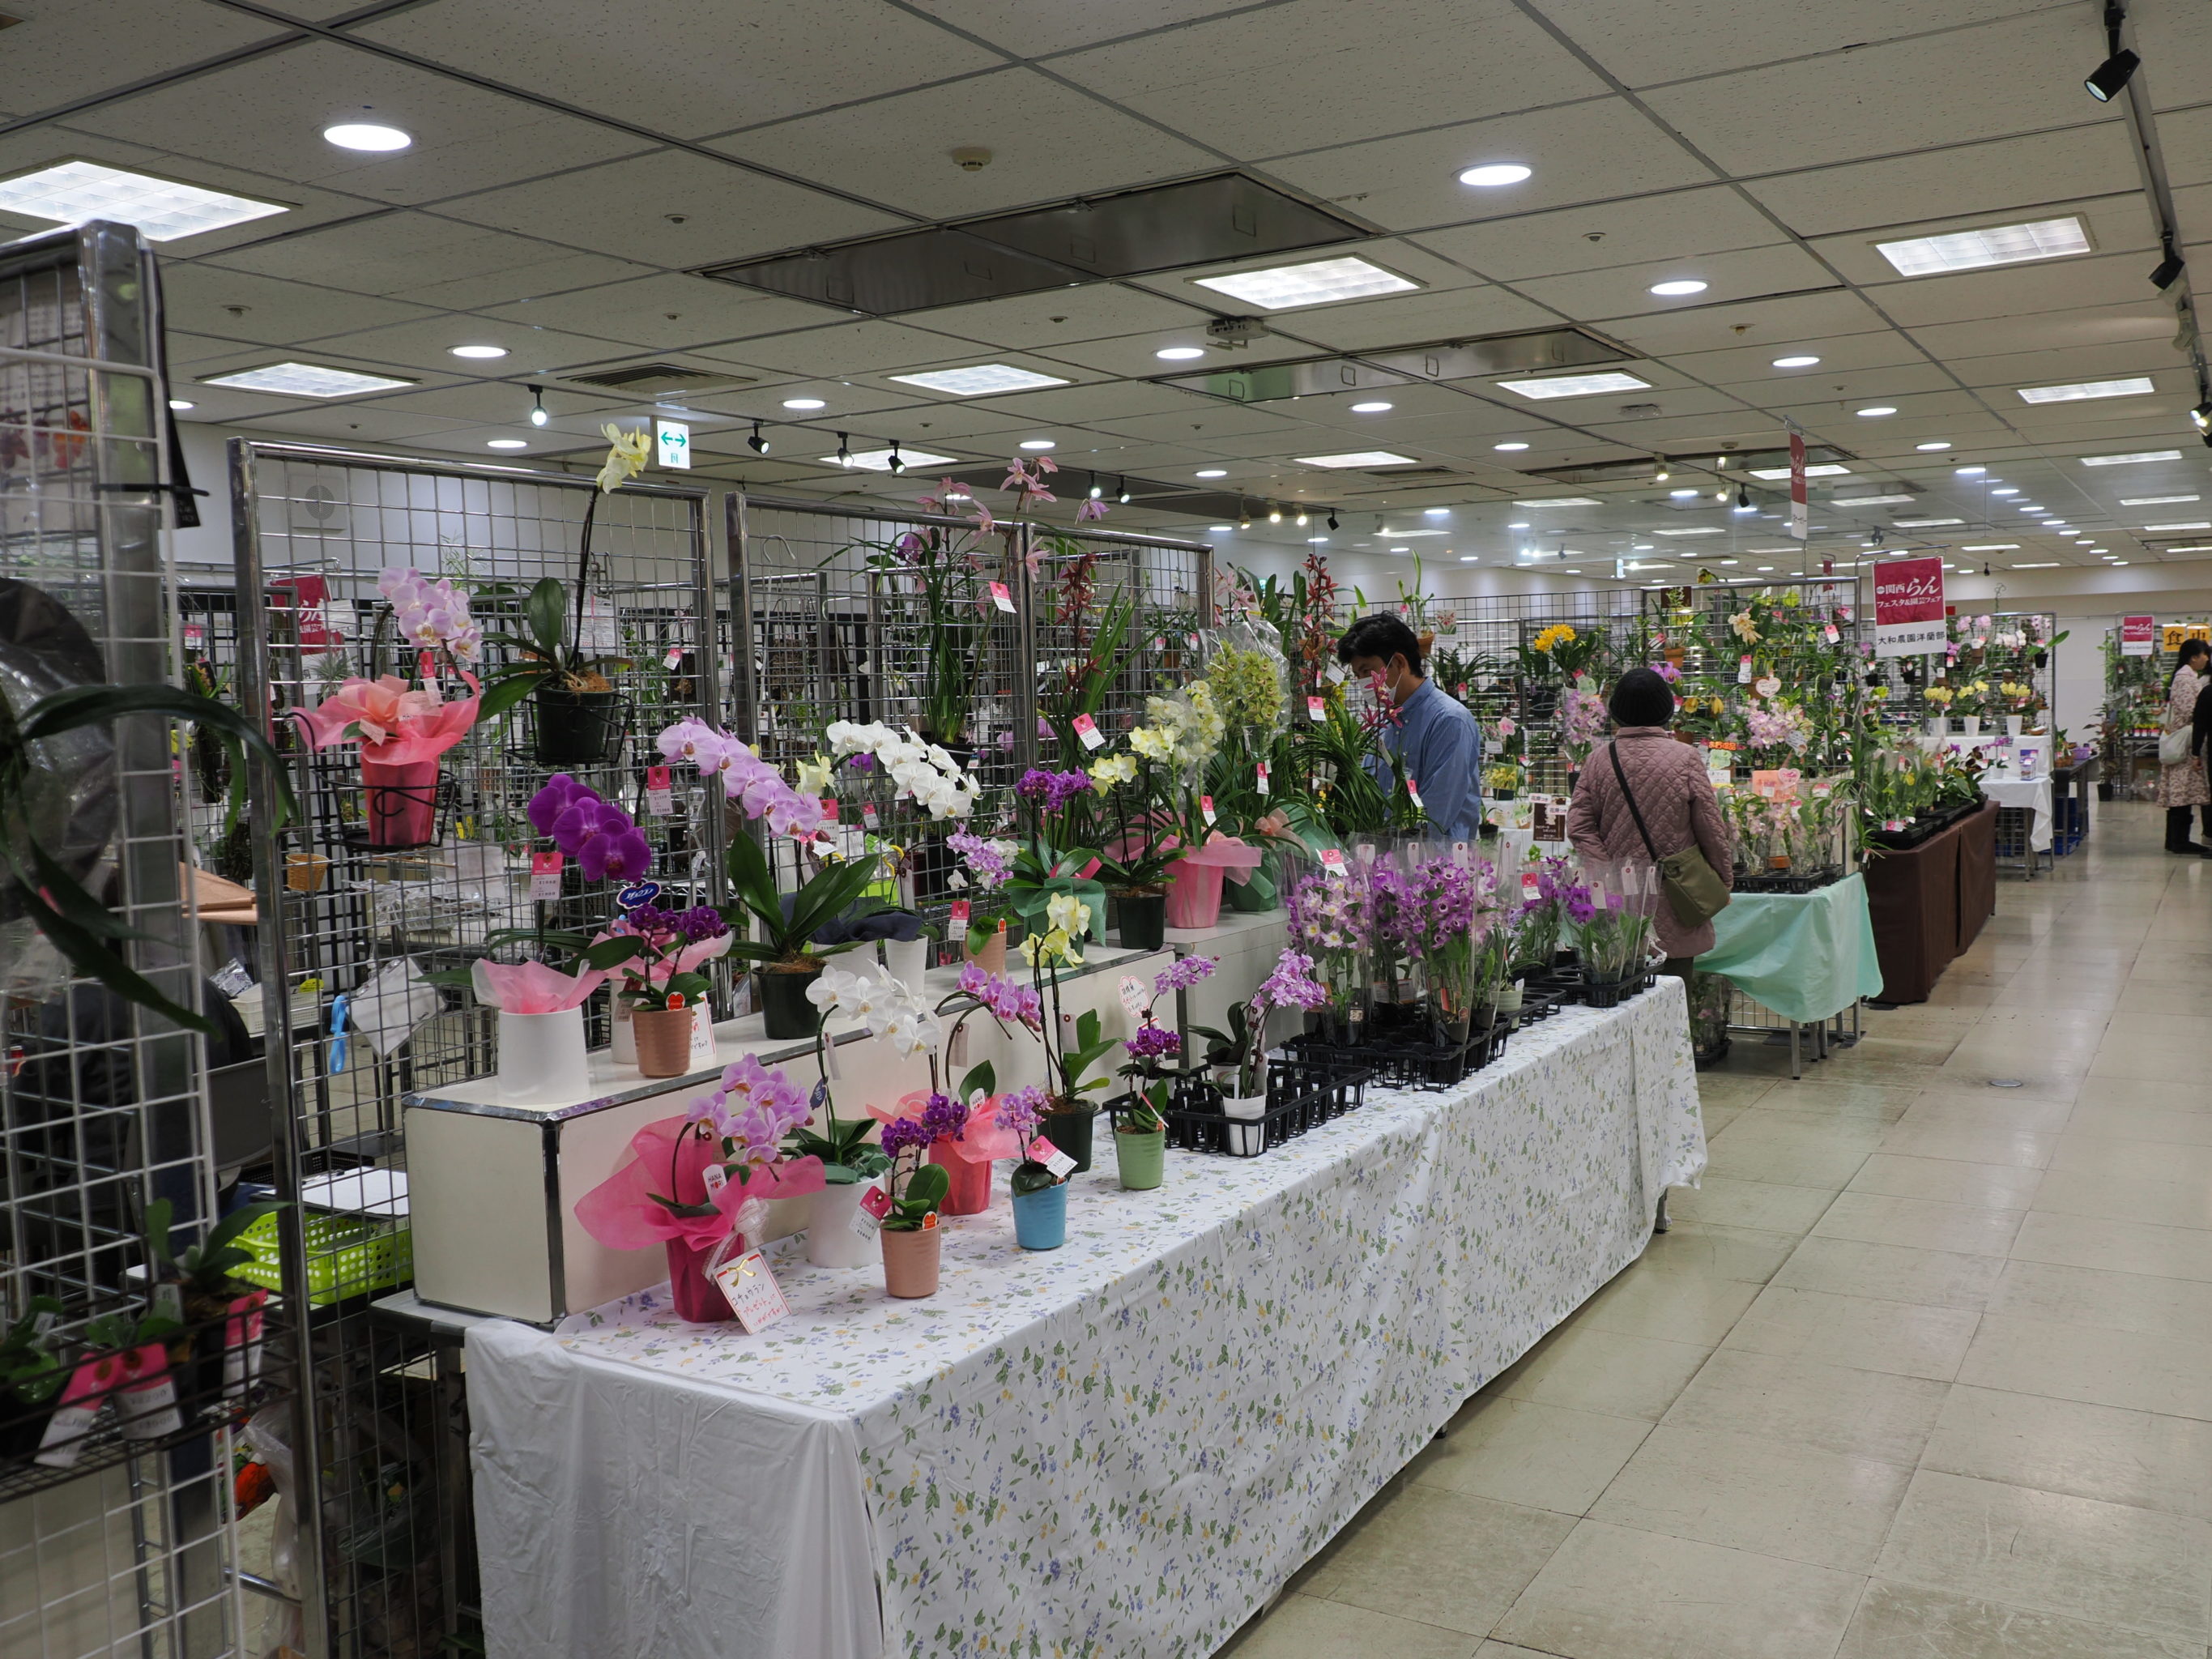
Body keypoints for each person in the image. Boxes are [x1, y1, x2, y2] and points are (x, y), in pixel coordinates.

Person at [1566, 666, 1734, 978]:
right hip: (1676, 894)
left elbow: (1579, 827)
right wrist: (1721, 880)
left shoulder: (1599, 760)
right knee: (1675, 989)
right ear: (1666, 710)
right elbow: (1711, 828)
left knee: (1622, 989)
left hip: (1620, 900)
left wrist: (1608, 874)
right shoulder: (1685, 757)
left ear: (1616, 711)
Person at [1336, 613, 1482, 841]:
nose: (1363, 683)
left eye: (1366, 671)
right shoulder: (1383, 722)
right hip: (1387, 856)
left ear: (1399, 663)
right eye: (1357, 675)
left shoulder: (1449, 720)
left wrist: (1394, 852)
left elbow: (1435, 813)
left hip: (1435, 859)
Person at [2159, 638, 2212, 855]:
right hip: (2185, 745)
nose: (2207, 659)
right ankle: (2179, 841)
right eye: (2204, 655)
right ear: (2193, 657)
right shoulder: (2184, 679)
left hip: (2188, 742)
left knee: (2184, 794)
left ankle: (2175, 840)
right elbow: (2190, 711)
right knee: (2182, 794)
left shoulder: (2189, 677)